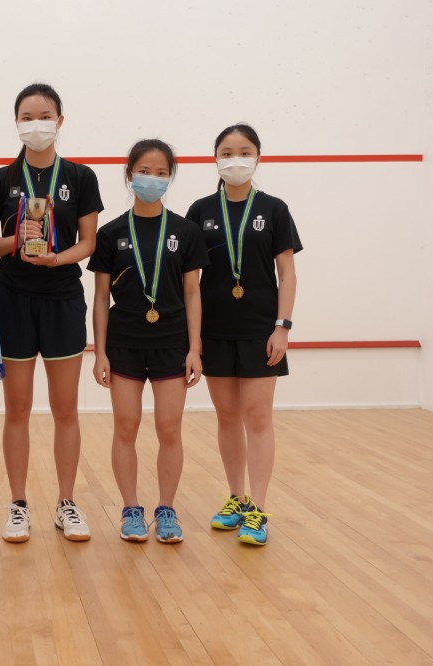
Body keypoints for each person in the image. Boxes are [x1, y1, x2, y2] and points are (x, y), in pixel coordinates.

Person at [0, 83, 103, 542]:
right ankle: (18, 504)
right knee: (17, 408)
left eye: (45, 115)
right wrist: (19, 241)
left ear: (60, 121)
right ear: (16, 123)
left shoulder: (81, 176)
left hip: (63, 300)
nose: (37, 124)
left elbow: (88, 243)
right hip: (12, 300)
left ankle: (66, 503)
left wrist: (56, 258)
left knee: (65, 408)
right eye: (27, 117)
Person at [185, 123, 303, 546]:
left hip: (260, 330)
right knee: (226, 416)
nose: (236, 159)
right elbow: (190, 282)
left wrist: (282, 327)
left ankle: (259, 508)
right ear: (215, 158)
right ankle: (236, 498)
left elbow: (287, 274)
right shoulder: (200, 210)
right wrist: (193, 340)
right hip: (214, 330)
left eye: (245, 151)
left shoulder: (274, 209)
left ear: (257, 157)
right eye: (227, 152)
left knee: (258, 416)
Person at [89, 139, 208, 543]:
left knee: (169, 429)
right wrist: (99, 352)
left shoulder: (186, 231)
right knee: (126, 427)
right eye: (144, 171)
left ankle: (167, 509)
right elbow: (100, 298)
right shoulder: (111, 233)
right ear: (129, 175)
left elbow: (192, 293)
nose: (152, 179)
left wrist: (195, 349)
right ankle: (130, 509)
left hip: (172, 343)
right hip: (123, 343)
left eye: (161, 173)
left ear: (170, 177)